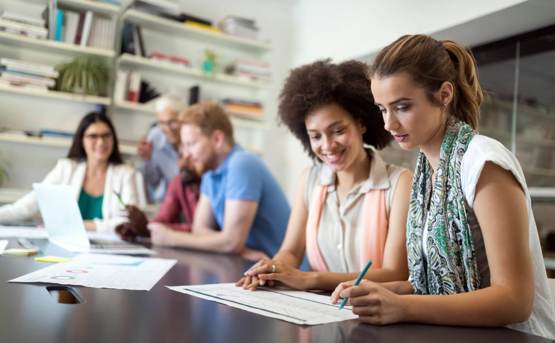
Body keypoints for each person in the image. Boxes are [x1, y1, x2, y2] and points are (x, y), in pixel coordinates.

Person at [331, 35, 555, 340]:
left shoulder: (484, 163)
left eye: (402, 107)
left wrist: (403, 306)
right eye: (383, 109)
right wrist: (380, 292)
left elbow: (514, 301)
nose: (389, 124)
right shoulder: (425, 172)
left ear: (444, 94)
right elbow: (436, 282)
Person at [236, 60, 412, 291]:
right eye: (316, 136)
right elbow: (290, 251)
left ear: (361, 124)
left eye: (338, 131)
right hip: (317, 312)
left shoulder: (399, 183)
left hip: (376, 313)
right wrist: (272, 269)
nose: (327, 146)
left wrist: (310, 279)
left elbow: (395, 273)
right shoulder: (310, 179)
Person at [148, 102, 290, 260]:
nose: (186, 154)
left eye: (191, 144)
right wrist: (237, 247)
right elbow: (199, 229)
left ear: (217, 139)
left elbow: (231, 242)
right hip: (254, 266)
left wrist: (170, 238)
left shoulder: (242, 163)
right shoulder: (210, 172)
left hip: (283, 274)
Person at [0, 112, 145, 232]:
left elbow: (128, 221)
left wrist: (81, 226)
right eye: (93, 136)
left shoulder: (126, 174)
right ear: (81, 140)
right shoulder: (66, 168)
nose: (101, 142)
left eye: (106, 135)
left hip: (110, 250)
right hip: (68, 246)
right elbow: (26, 207)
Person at [116, 158, 201, 241]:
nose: (181, 163)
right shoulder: (178, 181)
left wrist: (149, 229)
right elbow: (163, 218)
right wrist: (138, 228)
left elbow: (205, 231)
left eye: (191, 156)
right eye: (180, 156)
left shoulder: (210, 182)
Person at [138, 95, 187, 203]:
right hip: (168, 201)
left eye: (172, 122)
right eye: (162, 123)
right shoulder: (155, 136)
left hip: (191, 200)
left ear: (183, 119)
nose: (168, 129)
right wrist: (147, 159)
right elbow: (154, 181)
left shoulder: (192, 138)